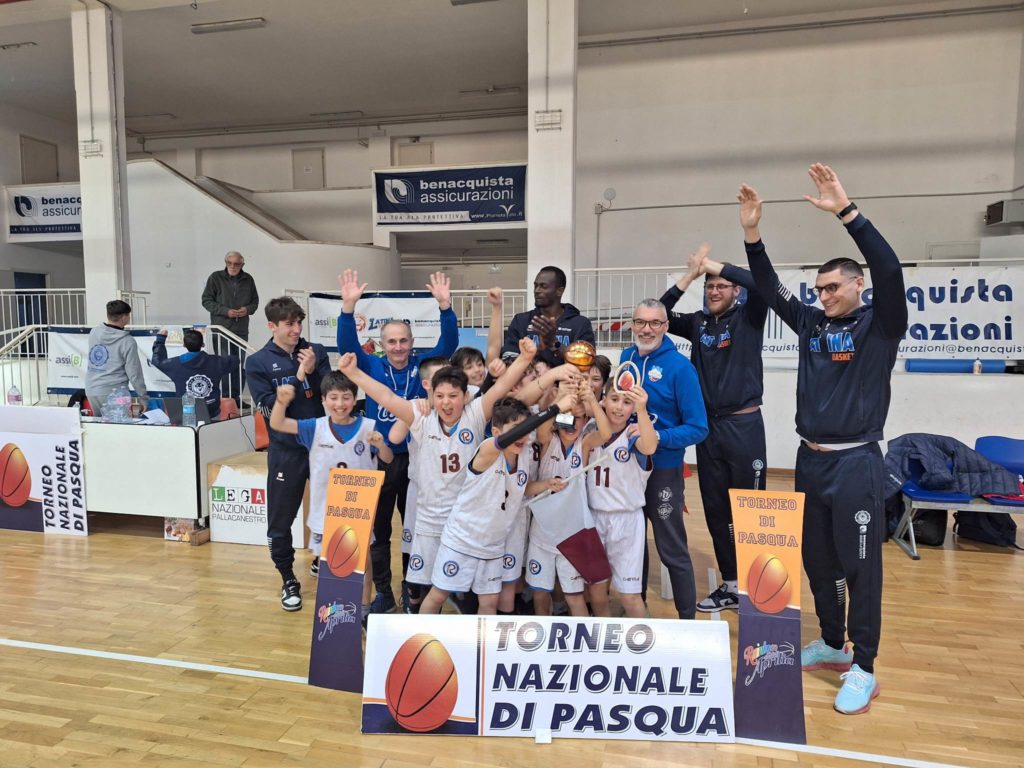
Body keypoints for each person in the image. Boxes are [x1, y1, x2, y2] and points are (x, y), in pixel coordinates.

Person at [740, 164, 907, 715]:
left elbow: (889, 268)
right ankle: (834, 644)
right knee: (817, 561)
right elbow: (770, 289)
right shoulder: (813, 324)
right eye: (819, 289)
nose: (825, 295)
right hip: (809, 462)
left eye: (834, 287)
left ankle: (865, 666)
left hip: (856, 464)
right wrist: (753, 235)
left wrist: (847, 212)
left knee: (861, 569)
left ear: (858, 285)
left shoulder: (881, 325)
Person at [338, 339, 538, 609]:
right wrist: (352, 373)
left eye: (453, 396)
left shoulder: (475, 414)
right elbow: (386, 397)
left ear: (465, 396)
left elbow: (501, 387)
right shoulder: (421, 417)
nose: (446, 402)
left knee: (469, 595)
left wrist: (525, 358)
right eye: (440, 396)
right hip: (431, 520)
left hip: (466, 523)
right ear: (431, 395)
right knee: (430, 592)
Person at [336, 269, 459, 615]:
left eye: (403, 340)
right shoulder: (371, 365)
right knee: (377, 532)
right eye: (391, 342)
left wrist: (445, 308)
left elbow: (448, 345)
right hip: (379, 459)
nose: (398, 347)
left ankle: (411, 590)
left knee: (413, 531)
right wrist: (347, 310)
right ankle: (383, 593)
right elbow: (347, 348)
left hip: (418, 461)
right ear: (382, 344)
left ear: (412, 341)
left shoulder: (424, 366)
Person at [660, 243, 769, 613]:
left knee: (751, 510)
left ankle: (758, 589)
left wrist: (715, 265)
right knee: (717, 510)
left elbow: (760, 283)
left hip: (744, 426)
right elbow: (660, 314)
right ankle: (732, 584)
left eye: (721, 285)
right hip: (709, 429)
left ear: (735, 290)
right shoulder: (698, 323)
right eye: (709, 286)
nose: (714, 291)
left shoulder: (750, 317)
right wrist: (690, 274)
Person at [418, 395, 574, 615]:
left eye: (525, 430)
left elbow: (521, 488)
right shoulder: (488, 449)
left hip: (493, 544)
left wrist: (547, 484)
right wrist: (555, 408)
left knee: (490, 603)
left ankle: (482, 640)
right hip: (462, 540)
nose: (523, 435)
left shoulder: (524, 454)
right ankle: (419, 634)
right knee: (438, 595)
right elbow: (512, 437)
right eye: (516, 429)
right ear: (496, 431)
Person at [619, 299, 708, 619]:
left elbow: (699, 428)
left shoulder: (681, 369)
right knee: (633, 544)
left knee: (671, 548)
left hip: (664, 470)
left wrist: (659, 438)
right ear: (632, 325)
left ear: (666, 326)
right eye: (640, 322)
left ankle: (688, 621)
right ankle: (637, 610)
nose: (647, 329)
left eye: (655, 323)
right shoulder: (626, 358)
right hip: (628, 469)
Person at [245, 297, 331, 612]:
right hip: (285, 450)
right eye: (289, 324)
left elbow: (331, 394)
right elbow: (269, 408)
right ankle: (287, 578)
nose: (296, 330)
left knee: (331, 511)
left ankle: (323, 559)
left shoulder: (315, 351)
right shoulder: (257, 362)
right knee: (281, 519)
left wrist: (313, 371)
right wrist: (299, 375)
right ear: (272, 326)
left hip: (321, 445)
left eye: (299, 323)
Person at [269, 371, 393, 583]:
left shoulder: (368, 427)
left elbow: (388, 458)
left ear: (355, 399)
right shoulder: (314, 427)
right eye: (333, 398)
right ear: (323, 400)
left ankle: (363, 603)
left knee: (363, 562)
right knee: (330, 567)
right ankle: (333, 604)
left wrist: (381, 445)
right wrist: (281, 402)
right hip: (326, 511)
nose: (340, 404)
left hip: (358, 508)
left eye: (346, 397)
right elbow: (278, 423)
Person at [585, 382, 658, 619]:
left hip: (626, 520)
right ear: (603, 400)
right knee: (596, 590)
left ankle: (645, 638)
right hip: (594, 517)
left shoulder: (635, 433)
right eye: (614, 399)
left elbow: (649, 447)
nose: (618, 407)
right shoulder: (590, 431)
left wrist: (642, 410)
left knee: (629, 595)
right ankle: (603, 636)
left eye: (627, 402)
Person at [501, 266, 595, 366]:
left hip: (565, 376)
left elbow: (586, 361)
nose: (537, 290)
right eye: (535, 285)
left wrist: (553, 343)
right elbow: (508, 361)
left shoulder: (580, 324)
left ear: (559, 291)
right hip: (529, 376)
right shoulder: (521, 321)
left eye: (543, 286)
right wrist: (537, 350)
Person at [201, 251, 258, 402]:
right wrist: (225, 311)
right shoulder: (215, 277)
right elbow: (206, 301)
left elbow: (255, 302)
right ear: (225, 262)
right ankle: (226, 399)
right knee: (225, 364)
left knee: (239, 364)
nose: (233, 266)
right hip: (222, 330)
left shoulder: (248, 279)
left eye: (236, 264)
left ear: (242, 264)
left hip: (241, 329)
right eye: (229, 263)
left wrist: (247, 310)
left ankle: (236, 397)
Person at [151, 329, 239, 420]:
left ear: (184, 345)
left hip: (187, 413)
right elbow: (235, 360)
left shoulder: (175, 364)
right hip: (212, 411)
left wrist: (160, 340)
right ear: (203, 344)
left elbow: (157, 361)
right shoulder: (217, 362)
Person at [85, 299, 149, 417]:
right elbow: (134, 373)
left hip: (92, 389)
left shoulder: (94, 332)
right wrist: (143, 397)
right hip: (115, 392)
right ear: (124, 318)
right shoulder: (127, 341)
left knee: (99, 425)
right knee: (119, 427)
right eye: (128, 315)